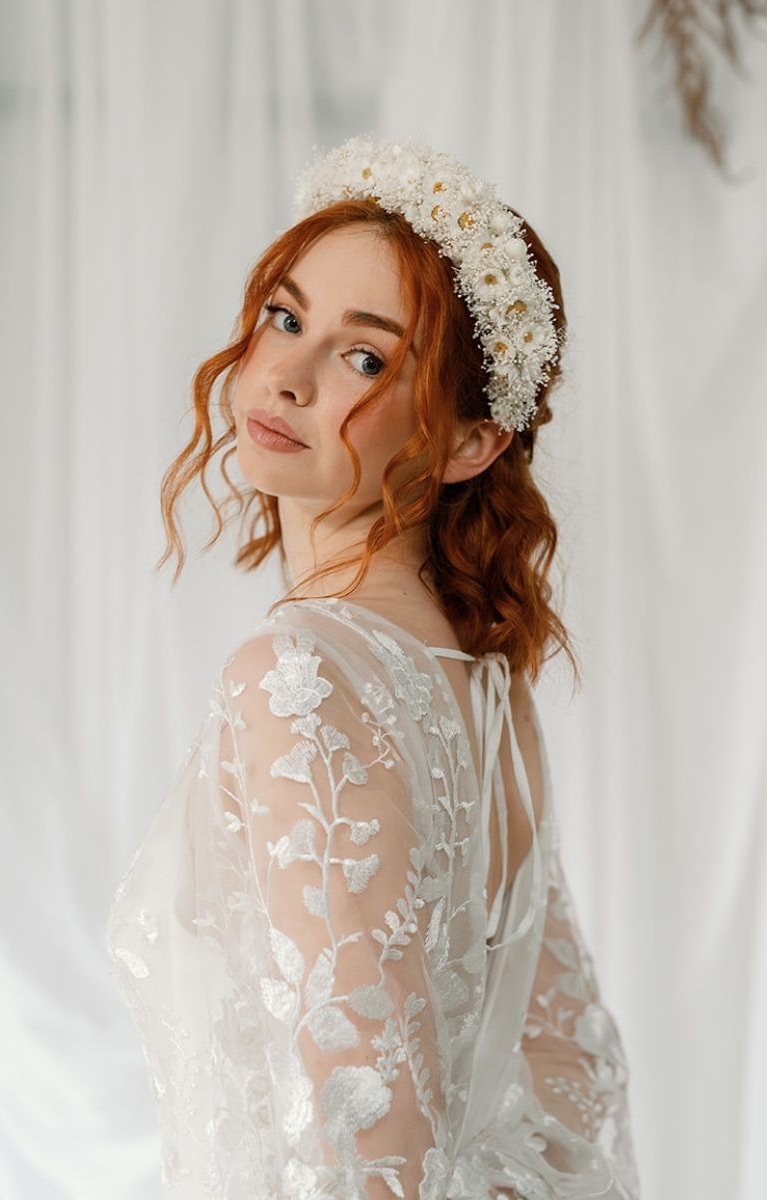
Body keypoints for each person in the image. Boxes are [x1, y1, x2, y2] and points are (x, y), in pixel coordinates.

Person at [106, 135, 640, 1198]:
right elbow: (570, 1069)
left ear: (466, 444)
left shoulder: (296, 670)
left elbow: (368, 1117)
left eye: (363, 357)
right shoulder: (484, 678)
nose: (287, 376)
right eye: (285, 316)